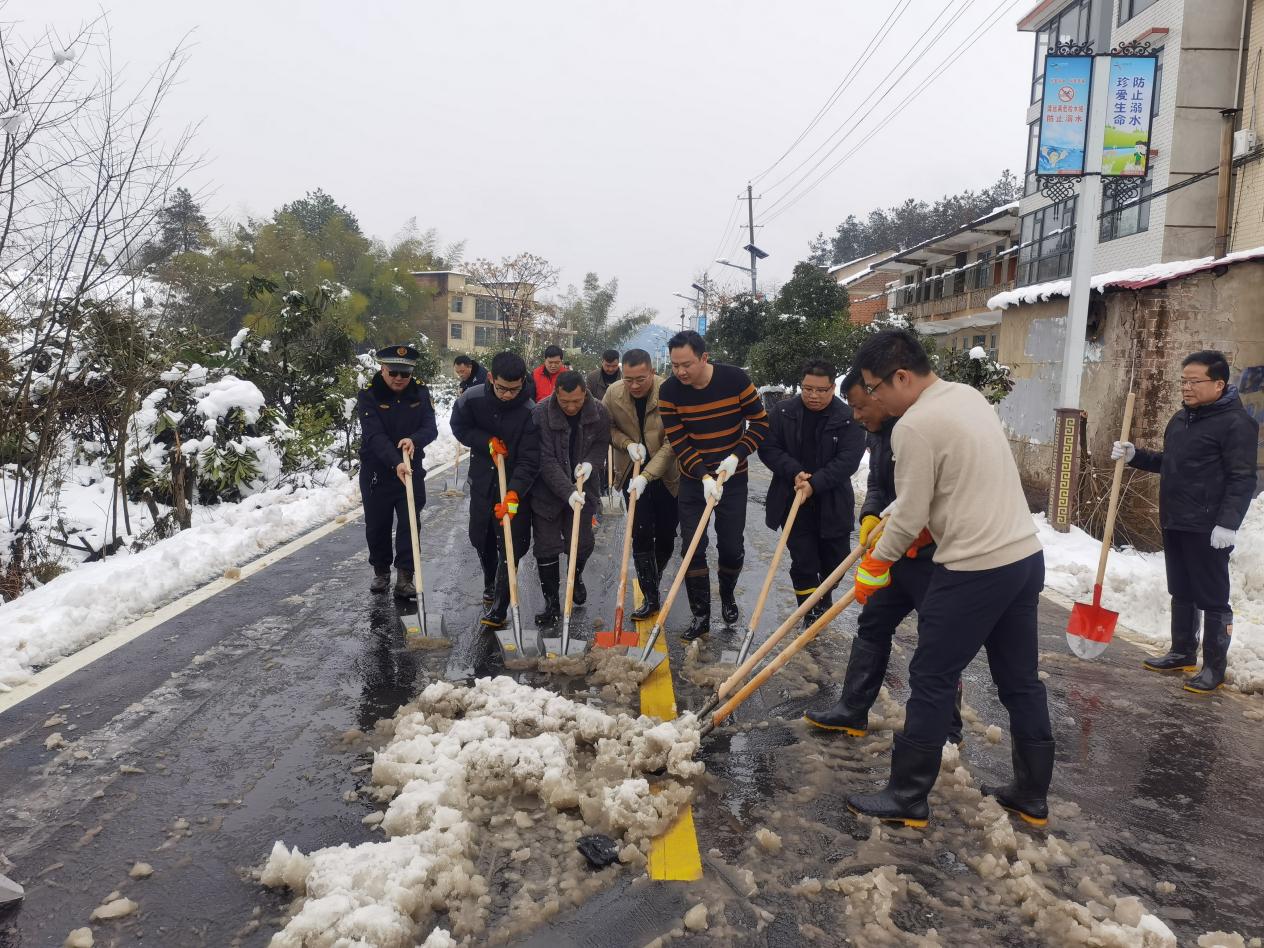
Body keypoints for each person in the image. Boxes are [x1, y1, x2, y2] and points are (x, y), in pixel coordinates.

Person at [845, 329, 1052, 829]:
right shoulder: (966, 396)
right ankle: (1031, 793)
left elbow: (914, 511)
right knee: (1020, 680)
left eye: (872, 389)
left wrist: (876, 565)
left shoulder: (913, 426)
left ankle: (907, 795)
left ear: (901, 376)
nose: (872, 399)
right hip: (1023, 558)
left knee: (932, 677)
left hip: (974, 568)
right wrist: (892, 522)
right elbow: (939, 489)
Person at [802, 370, 963, 745]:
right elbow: (877, 484)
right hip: (894, 549)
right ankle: (851, 710)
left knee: (937, 640)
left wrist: (902, 533)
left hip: (933, 555)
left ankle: (948, 729)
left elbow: (934, 498)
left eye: (860, 405)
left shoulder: (919, 429)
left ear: (881, 394)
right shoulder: (879, 435)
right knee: (873, 624)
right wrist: (871, 515)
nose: (856, 415)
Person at [1113, 349, 1259, 693]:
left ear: (1219, 384)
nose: (1187, 388)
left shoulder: (1237, 424)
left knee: (1212, 596)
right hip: (1176, 520)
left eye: (1195, 381)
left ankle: (1215, 668)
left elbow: (1242, 478)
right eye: (1184, 381)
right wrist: (1137, 456)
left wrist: (1228, 523)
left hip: (1209, 527)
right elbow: (1172, 463)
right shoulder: (1181, 420)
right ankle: (1182, 652)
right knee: (1181, 589)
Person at [658, 330, 770, 640]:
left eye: (687, 364)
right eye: (675, 365)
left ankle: (728, 594)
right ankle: (701, 614)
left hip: (733, 479)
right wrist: (704, 476)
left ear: (704, 358)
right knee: (692, 547)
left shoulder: (734, 379)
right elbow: (678, 440)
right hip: (694, 482)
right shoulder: (669, 392)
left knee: (731, 547)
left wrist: (736, 457)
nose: (680, 371)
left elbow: (760, 422)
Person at [758, 358, 865, 625]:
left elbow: (849, 459)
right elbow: (769, 448)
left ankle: (822, 598)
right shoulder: (783, 412)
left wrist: (815, 483)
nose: (813, 395)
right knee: (804, 561)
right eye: (807, 389)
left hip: (832, 501)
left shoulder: (848, 418)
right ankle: (810, 613)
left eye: (821, 390)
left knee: (836, 563)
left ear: (832, 389)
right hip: (793, 500)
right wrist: (794, 472)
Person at [450, 351, 540, 629]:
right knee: (482, 537)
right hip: (482, 481)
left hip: (515, 486)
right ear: (491, 378)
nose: (508, 395)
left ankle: (501, 605)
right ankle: (491, 581)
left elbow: (530, 458)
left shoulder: (530, 411)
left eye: (514, 389)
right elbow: (459, 426)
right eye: (502, 388)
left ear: (522, 382)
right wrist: (485, 441)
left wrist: (514, 493)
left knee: (511, 544)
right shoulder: (472, 398)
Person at [356, 345, 439, 595]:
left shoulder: (420, 393)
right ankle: (381, 571)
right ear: (383, 369)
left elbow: (430, 428)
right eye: (393, 373)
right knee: (377, 525)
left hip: (411, 472)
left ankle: (405, 575)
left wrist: (414, 439)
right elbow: (375, 436)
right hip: (377, 473)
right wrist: (396, 462)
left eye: (404, 374)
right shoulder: (369, 396)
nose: (399, 379)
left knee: (409, 524)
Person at [530, 371, 611, 623]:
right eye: (565, 402)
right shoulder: (541, 413)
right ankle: (552, 603)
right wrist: (567, 492)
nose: (571, 406)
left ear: (584, 393)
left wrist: (590, 464)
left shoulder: (599, 411)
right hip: (547, 490)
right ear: (556, 394)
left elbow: (601, 444)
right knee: (546, 546)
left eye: (576, 401)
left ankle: (575, 577)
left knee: (583, 541)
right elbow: (544, 459)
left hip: (585, 486)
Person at [604, 348, 680, 618]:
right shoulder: (613, 394)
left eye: (640, 379)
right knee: (641, 532)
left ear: (652, 372)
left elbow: (674, 442)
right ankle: (650, 595)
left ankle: (653, 579)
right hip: (631, 473)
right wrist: (627, 444)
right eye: (628, 379)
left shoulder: (670, 391)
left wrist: (648, 475)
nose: (634, 385)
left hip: (668, 474)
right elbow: (607, 427)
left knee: (667, 537)